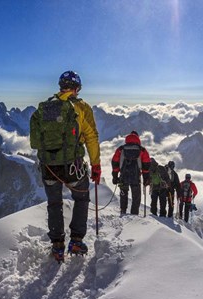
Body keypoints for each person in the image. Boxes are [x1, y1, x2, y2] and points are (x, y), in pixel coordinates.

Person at [30, 70, 101, 262]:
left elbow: (35, 141)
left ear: (60, 87)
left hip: (49, 167)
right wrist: (96, 165)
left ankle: (57, 245)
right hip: (72, 166)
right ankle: (76, 240)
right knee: (81, 197)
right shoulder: (81, 107)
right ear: (77, 88)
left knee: (54, 203)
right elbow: (91, 136)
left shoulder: (45, 108)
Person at [111, 131, 150, 215]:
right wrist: (146, 178)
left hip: (123, 175)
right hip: (136, 176)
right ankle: (134, 213)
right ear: (137, 138)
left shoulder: (121, 149)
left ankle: (123, 210)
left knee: (123, 193)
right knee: (136, 196)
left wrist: (115, 176)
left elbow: (115, 162)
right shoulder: (142, 150)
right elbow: (146, 165)